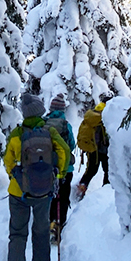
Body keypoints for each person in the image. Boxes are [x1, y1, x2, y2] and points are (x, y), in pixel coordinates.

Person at [3, 92, 70, 261]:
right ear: (41, 111)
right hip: (44, 192)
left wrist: (16, 174)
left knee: (17, 234)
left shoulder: (17, 134)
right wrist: (57, 175)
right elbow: (65, 152)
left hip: (18, 193)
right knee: (41, 229)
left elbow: (8, 160)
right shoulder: (50, 132)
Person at [44, 93, 76, 242]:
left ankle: (50, 221)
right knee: (63, 196)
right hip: (65, 169)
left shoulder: (44, 122)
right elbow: (72, 145)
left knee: (50, 195)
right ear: (63, 109)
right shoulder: (65, 125)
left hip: (47, 167)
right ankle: (59, 223)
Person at [75, 101, 109, 200]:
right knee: (108, 172)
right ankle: (106, 195)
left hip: (92, 148)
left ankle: (81, 188)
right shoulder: (106, 115)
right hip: (105, 150)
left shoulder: (93, 113)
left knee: (91, 170)